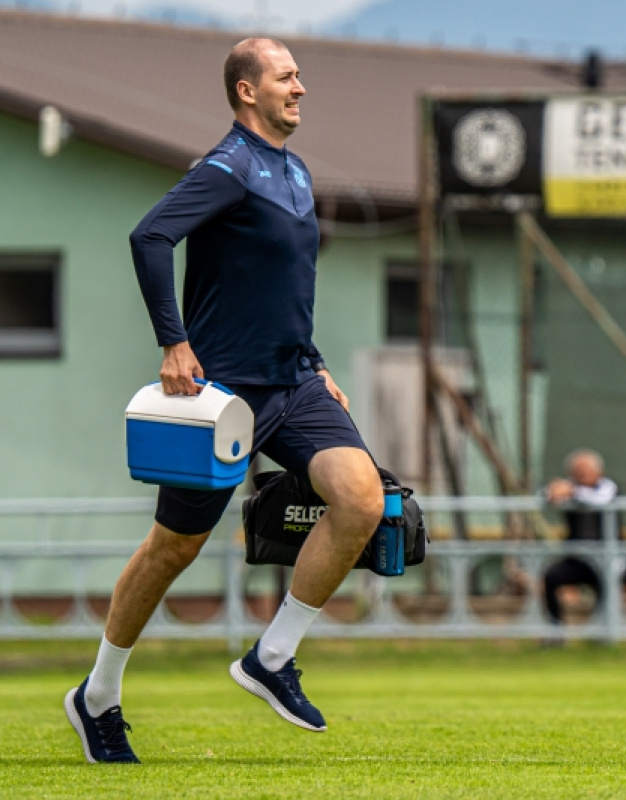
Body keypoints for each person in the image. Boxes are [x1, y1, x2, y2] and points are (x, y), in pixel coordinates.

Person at [64, 37, 384, 764]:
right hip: (220, 398)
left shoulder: (295, 171)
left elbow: (286, 286)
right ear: (247, 92)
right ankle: (98, 695)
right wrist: (174, 344)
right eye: (285, 77)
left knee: (362, 498)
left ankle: (272, 657)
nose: (300, 88)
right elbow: (150, 236)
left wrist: (317, 359)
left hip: (294, 382)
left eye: (300, 76)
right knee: (173, 548)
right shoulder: (228, 169)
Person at [542, 449, 620, 627]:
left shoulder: (609, 487)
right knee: (551, 577)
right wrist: (554, 491)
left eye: (586, 472)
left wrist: (572, 492)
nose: (582, 477)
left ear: (599, 473)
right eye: (578, 473)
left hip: (608, 556)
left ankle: (603, 631)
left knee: (607, 581)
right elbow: (549, 495)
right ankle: (554, 632)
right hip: (576, 558)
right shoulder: (570, 488)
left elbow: (600, 499)